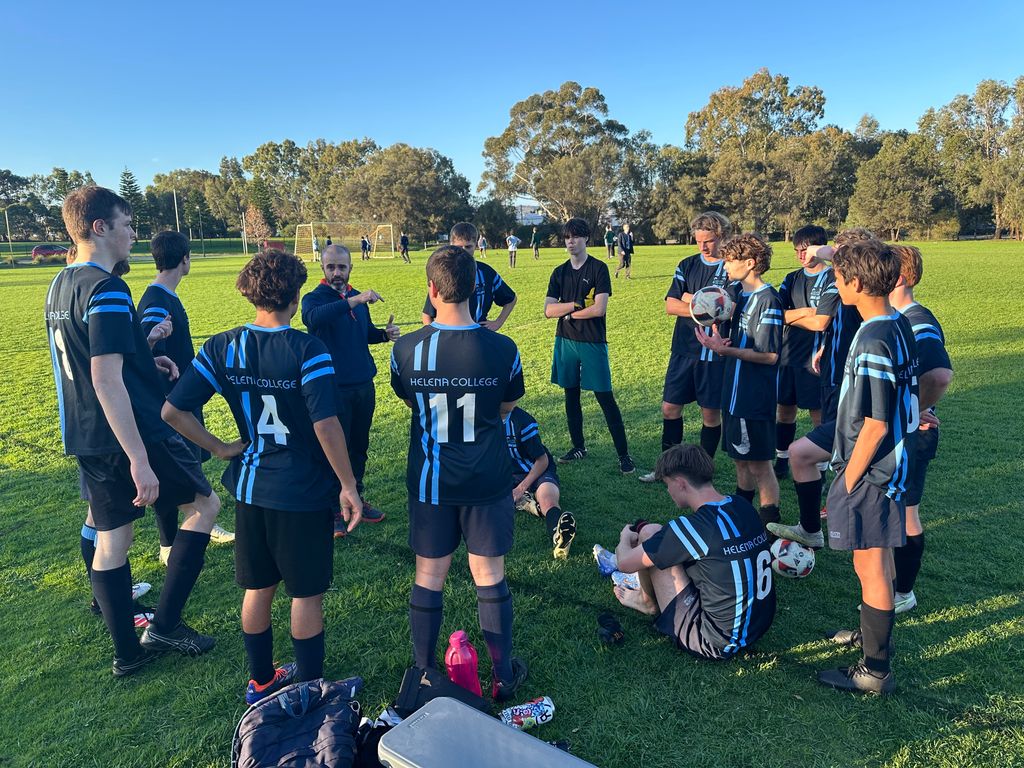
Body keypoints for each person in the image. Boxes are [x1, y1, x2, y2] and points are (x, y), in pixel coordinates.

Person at [163, 249, 363, 703]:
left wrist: (219, 447)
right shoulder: (308, 349)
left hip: (251, 487)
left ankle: (261, 681)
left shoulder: (222, 346)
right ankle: (310, 689)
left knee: (258, 588)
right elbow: (325, 424)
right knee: (306, 594)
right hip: (302, 490)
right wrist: (348, 485)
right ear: (295, 298)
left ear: (250, 294)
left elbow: (172, 410)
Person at [46, 186, 221, 676]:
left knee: (112, 539)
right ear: (100, 227)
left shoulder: (60, 282)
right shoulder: (107, 288)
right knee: (205, 506)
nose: (132, 235)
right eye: (126, 225)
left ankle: (127, 654)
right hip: (132, 430)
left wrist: (146, 357)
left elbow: (94, 354)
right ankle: (164, 624)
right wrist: (139, 458)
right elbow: (104, 377)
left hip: (85, 432)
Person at [390, 245, 529, 701]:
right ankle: (503, 675)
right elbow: (506, 407)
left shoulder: (406, 348)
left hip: (431, 479)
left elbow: (411, 402)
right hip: (486, 479)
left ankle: (424, 671)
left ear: (431, 289)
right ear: (475, 288)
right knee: (489, 573)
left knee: (429, 574)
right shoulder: (503, 348)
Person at [814, 238, 918, 695]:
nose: (835, 284)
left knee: (870, 564)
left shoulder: (875, 337)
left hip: (873, 470)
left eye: (838, 278)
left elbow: (875, 425)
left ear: (856, 282)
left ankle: (875, 670)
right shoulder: (895, 322)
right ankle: (871, 634)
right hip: (890, 465)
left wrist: (847, 480)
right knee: (879, 560)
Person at [767, 228, 877, 549]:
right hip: (823, 363)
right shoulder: (827, 283)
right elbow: (789, 314)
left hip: (843, 376)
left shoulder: (845, 283)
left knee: (840, 439)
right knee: (806, 431)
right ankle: (824, 512)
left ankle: (842, 501)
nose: (805, 255)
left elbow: (821, 322)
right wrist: (822, 340)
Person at [612, 444, 775, 659]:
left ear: (680, 483)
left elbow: (624, 563)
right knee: (666, 544)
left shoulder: (696, 527)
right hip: (758, 626)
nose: (668, 491)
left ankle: (646, 601)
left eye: (667, 484)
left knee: (650, 534)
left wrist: (624, 537)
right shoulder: (742, 505)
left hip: (713, 640)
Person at [138, 230, 235, 565]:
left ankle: (202, 521)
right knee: (172, 473)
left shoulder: (164, 295)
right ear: (185, 259)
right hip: (170, 407)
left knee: (189, 466)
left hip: (180, 402)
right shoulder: (157, 302)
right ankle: (168, 545)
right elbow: (147, 353)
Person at [301, 243, 398, 534]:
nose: (336, 273)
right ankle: (332, 507)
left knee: (358, 446)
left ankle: (356, 497)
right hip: (333, 388)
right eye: (331, 267)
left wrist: (383, 335)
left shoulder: (356, 299)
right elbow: (313, 319)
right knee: (333, 450)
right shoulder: (313, 299)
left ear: (350, 268)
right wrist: (355, 301)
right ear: (322, 268)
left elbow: (363, 333)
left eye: (341, 267)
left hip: (363, 385)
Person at [695, 233, 784, 527]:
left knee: (759, 466)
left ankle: (769, 526)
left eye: (731, 260)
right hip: (733, 395)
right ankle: (743, 521)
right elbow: (740, 341)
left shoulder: (769, 300)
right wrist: (721, 343)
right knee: (740, 461)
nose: (726, 265)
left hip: (753, 398)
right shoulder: (740, 295)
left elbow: (770, 355)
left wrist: (726, 350)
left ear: (750, 263)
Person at [640, 212, 732, 483]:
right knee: (670, 408)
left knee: (710, 414)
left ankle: (701, 472)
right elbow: (671, 305)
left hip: (714, 351)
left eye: (709, 241)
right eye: (698, 240)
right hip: (683, 348)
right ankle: (666, 470)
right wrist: (706, 304)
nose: (703, 246)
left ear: (722, 237)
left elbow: (728, 309)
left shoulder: (731, 268)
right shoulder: (687, 264)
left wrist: (691, 298)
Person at [886, 244, 952, 614]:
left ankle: (903, 593)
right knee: (892, 508)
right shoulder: (896, 317)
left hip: (913, 435)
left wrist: (914, 410)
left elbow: (939, 375)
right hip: (901, 430)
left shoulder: (917, 321)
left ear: (897, 278)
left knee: (906, 513)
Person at [544, 218, 635, 474]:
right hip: (566, 340)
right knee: (570, 394)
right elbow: (548, 311)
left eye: (575, 236)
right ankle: (578, 447)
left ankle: (624, 455)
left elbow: (599, 309)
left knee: (605, 397)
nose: (571, 242)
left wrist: (569, 313)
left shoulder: (598, 268)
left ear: (586, 238)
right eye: (567, 237)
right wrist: (575, 305)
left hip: (593, 341)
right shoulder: (559, 272)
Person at [773, 225, 831, 480]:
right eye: (796, 250)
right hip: (788, 355)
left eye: (805, 250)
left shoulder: (833, 278)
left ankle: (822, 468)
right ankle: (781, 460)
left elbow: (822, 323)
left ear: (819, 249)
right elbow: (777, 314)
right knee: (785, 411)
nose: (800, 255)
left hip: (817, 358)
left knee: (819, 414)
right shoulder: (791, 278)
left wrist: (793, 317)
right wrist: (807, 312)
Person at [504, 406, 576, 559]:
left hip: (537, 469)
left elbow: (542, 460)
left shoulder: (522, 421)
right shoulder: (480, 417)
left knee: (547, 499)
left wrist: (520, 488)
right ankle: (530, 505)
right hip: (507, 474)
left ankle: (558, 535)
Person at [421, 222, 517, 332]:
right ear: (450, 245)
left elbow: (511, 299)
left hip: (478, 335)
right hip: (449, 335)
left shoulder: (486, 272)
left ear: (476, 245)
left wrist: (498, 322)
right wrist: (433, 335)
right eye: (459, 247)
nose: (463, 251)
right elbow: (427, 314)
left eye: (468, 247)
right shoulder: (444, 273)